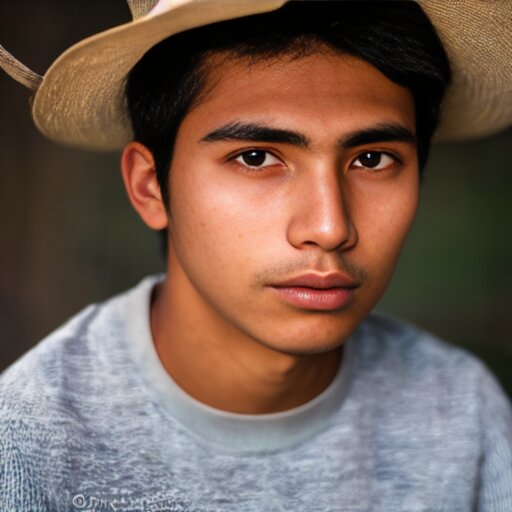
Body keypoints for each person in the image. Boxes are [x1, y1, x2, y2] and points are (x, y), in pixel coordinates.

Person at [1, 1, 511, 510]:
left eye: (372, 159)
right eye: (255, 157)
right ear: (150, 186)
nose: (330, 228)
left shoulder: (461, 410)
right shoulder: (30, 442)